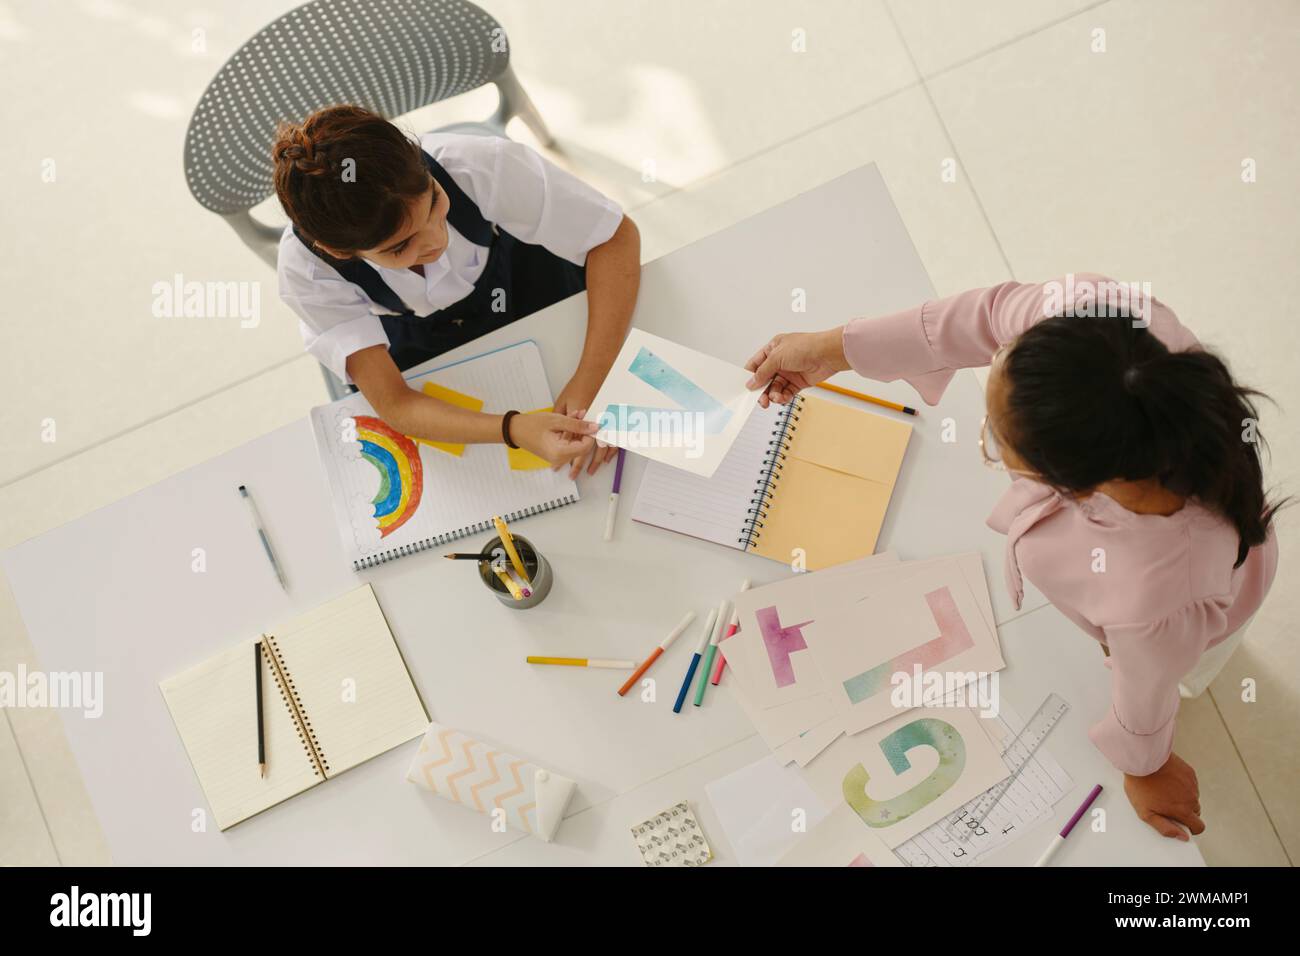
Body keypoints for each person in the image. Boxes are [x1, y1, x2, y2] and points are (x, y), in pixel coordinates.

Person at [744, 274, 1281, 841]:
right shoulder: (1089, 319)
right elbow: (987, 314)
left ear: (1076, 482)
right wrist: (836, 348)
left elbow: (1145, 690)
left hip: (1203, 610)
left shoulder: (1158, 598)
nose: (988, 438)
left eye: (997, 442)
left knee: (1179, 668)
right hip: (1142, 591)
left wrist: (1146, 764)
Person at [273, 105, 641, 477]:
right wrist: (513, 429)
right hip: (419, 339)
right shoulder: (305, 272)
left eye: (434, 201)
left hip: (524, 282)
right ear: (339, 252)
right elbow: (396, 403)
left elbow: (614, 237)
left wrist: (591, 377)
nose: (437, 239)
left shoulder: (479, 164)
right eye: (401, 247)